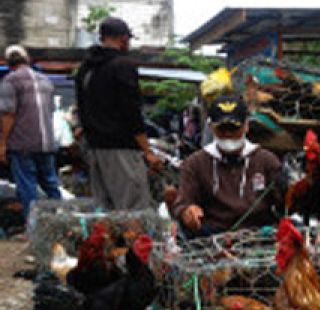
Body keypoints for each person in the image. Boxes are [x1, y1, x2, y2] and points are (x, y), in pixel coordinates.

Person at [75, 16, 164, 210]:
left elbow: (81, 108)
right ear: (124, 39)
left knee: (106, 211)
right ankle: (133, 242)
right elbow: (132, 112)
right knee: (133, 210)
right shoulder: (122, 65)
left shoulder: (86, 68)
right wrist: (148, 152)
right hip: (122, 149)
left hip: (95, 149)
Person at [172, 96, 282, 236]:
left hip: (258, 232)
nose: (228, 134)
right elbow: (182, 202)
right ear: (211, 127)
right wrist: (187, 211)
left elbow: (283, 203)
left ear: (246, 126)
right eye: (222, 128)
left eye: (234, 128)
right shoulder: (195, 163)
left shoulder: (266, 160)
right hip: (212, 235)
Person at [0, 45, 63, 226]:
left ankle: (34, 229)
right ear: (28, 60)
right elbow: (50, 112)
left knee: (27, 188)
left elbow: (8, 115)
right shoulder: (46, 81)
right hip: (47, 144)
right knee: (51, 185)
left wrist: (2, 143)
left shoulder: (10, 82)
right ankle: (60, 224)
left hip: (22, 144)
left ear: (9, 63)